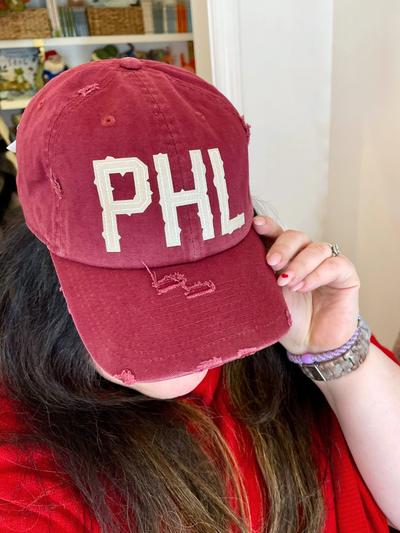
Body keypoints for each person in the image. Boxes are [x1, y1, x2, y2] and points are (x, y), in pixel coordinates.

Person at [0, 57, 399, 533]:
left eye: (212, 266)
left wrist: (337, 357)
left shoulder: (291, 332)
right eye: (141, 283)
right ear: (47, 264)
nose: (195, 346)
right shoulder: (26, 470)